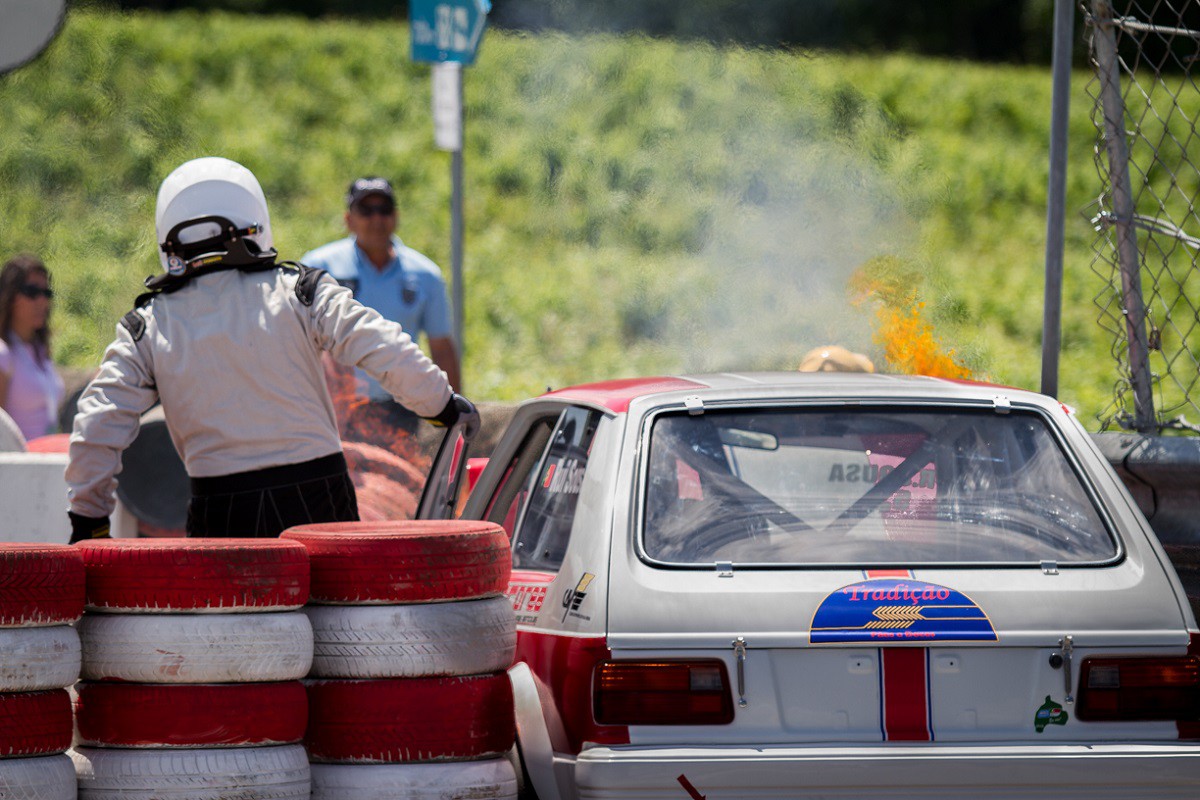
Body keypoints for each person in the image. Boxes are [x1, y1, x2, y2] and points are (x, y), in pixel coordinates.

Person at [65, 157, 479, 543]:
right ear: (255, 222)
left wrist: (89, 518)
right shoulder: (301, 291)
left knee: (232, 620)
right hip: (318, 500)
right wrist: (440, 405)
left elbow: (97, 422)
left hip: (218, 506)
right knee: (337, 622)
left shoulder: (147, 325)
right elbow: (384, 346)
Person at [301, 177, 460, 433]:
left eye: (384, 210)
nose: (376, 219)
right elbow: (301, 340)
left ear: (396, 217)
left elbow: (441, 347)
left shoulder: (425, 275)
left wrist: (453, 417)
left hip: (402, 411)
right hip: (335, 410)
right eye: (366, 210)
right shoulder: (319, 267)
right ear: (349, 219)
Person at [0, 254, 64, 442]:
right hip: (19, 464)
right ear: (9, 296)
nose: (42, 301)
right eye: (32, 292)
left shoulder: (40, 351)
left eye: (46, 293)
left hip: (46, 460)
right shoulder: (3, 353)